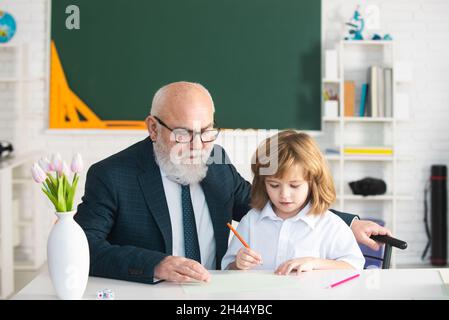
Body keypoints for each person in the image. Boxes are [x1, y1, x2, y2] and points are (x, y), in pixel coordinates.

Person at [74, 81, 389, 284]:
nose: (198, 146)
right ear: (153, 128)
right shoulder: (112, 175)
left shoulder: (216, 160)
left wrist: (347, 223)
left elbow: (259, 202)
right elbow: (84, 248)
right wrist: (156, 265)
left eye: (207, 131)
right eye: (184, 134)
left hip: (220, 292)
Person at [221, 130, 365, 273]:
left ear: (313, 183)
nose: (284, 195)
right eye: (274, 185)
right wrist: (238, 264)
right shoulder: (251, 221)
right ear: (262, 183)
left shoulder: (329, 224)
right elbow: (228, 268)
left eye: (294, 185)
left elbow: (355, 265)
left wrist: (315, 263)